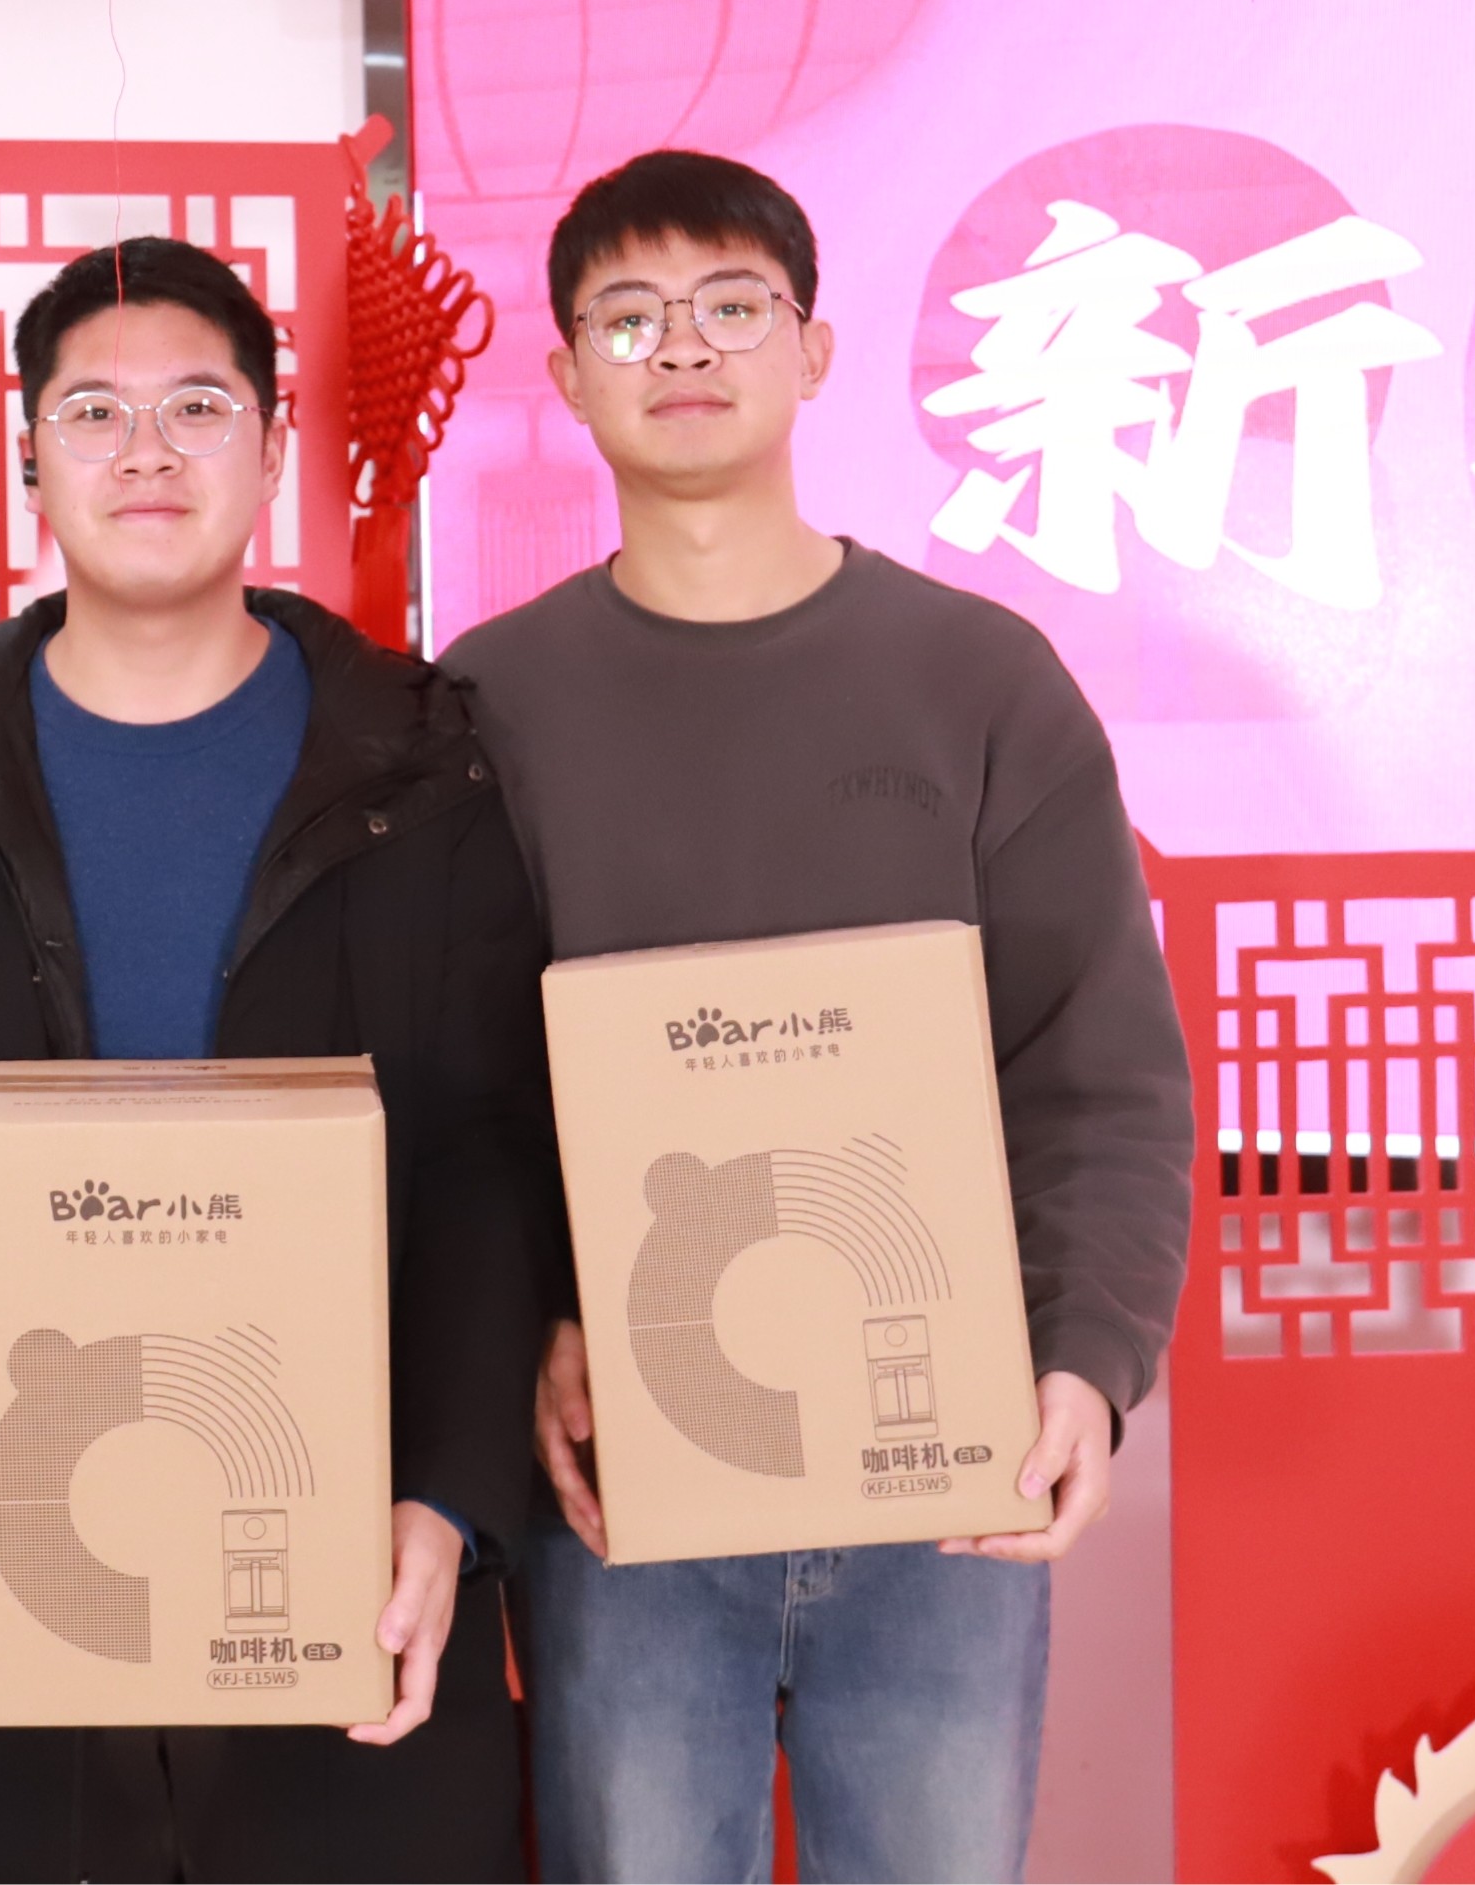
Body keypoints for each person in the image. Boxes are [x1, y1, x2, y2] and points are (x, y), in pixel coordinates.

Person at [440, 152, 1194, 1884]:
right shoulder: (486, 702)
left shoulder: (980, 679)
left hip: (944, 1464)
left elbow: (1098, 1073)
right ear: (566, 374)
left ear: (815, 350)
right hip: (627, 1467)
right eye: (628, 316)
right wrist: (532, 1322)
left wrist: (1087, 1361)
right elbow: (459, 1088)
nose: (681, 346)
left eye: (731, 305)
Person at [0, 238, 553, 1881]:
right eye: (94, 412)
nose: (146, 450)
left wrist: (446, 1497)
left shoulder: (420, 763)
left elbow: (487, 1153)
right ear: (28, 461)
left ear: (274, 448)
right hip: (6, 1542)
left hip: (345, 1539)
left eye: (199, 406)